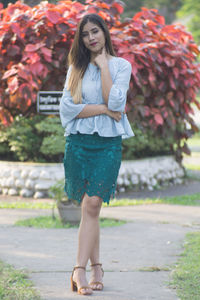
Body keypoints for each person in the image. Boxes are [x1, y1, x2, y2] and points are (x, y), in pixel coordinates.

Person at [59, 13, 134, 296]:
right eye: (86, 34)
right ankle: (97, 267)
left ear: (104, 33)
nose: (91, 38)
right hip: (78, 143)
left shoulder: (120, 66)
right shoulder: (75, 69)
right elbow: (67, 109)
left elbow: (117, 101)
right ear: (81, 40)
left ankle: (78, 270)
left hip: (107, 145)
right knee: (90, 208)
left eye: (95, 32)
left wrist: (104, 67)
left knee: (92, 204)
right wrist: (103, 109)